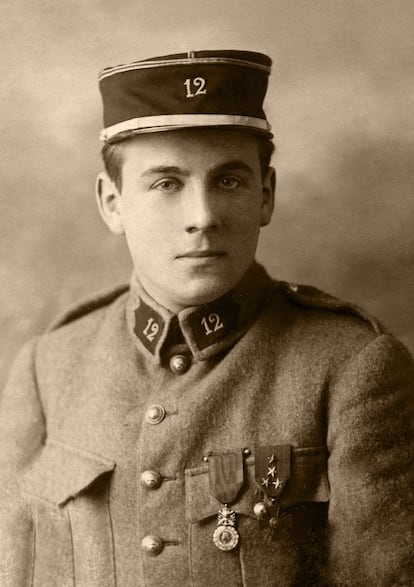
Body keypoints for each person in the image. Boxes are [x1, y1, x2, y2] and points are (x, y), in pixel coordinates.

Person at [0, 50, 412, 587]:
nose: (203, 218)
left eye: (229, 181)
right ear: (112, 203)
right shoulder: (48, 366)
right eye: (167, 184)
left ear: (266, 195)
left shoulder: (351, 367)